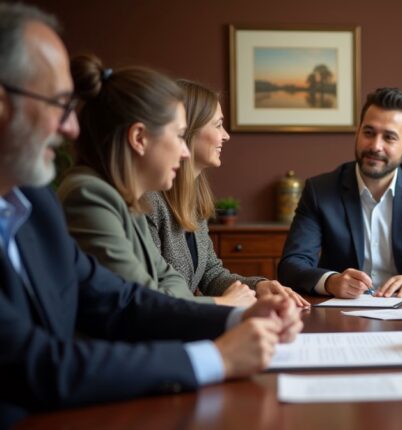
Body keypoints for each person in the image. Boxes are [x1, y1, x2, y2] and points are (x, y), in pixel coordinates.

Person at [0, 3, 302, 427]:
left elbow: (123, 300)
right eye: (57, 103)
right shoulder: (85, 194)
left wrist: (238, 316)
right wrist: (215, 356)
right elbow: (41, 364)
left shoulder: (36, 207)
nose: (70, 128)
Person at [56, 55, 254, 307]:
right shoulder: (90, 195)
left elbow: (169, 279)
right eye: (179, 136)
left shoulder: (126, 197)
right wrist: (222, 304)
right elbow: (142, 299)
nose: (185, 152)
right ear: (139, 138)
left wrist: (251, 290)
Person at [278, 87, 402, 298]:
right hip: (341, 310)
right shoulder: (320, 190)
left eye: (389, 137)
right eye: (368, 133)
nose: (376, 146)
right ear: (357, 133)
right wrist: (331, 282)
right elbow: (291, 265)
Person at [146, 80, 309, 308]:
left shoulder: (194, 199)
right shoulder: (149, 202)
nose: (226, 136)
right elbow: (151, 297)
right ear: (186, 130)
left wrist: (259, 286)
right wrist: (222, 302)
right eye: (218, 125)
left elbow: (211, 274)